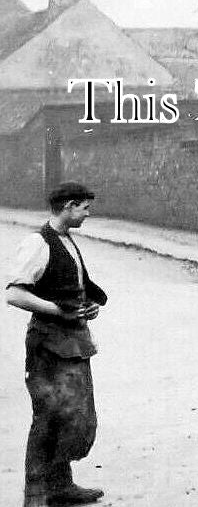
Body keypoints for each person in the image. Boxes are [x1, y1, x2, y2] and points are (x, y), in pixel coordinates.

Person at [5, 182, 107, 507]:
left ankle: (60, 486)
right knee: (48, 417)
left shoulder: (67, 241)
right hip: (47, 345)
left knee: (74, 417)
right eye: (84, 208)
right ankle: (35, 496)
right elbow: (14, 293)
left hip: (74, 341)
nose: (88, 213)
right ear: (68, 206)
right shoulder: (38, 242)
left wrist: (90, 305)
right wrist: (57, 311)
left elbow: (73, 288)